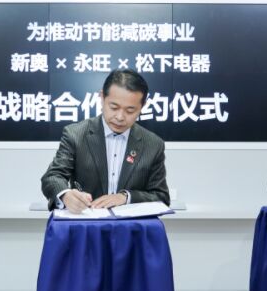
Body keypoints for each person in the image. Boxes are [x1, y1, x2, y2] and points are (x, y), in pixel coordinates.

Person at [41, 69, 170, 214]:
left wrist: (126, 197)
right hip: (86, 222)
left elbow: (161, 196)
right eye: (114, 107)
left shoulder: (153, 144)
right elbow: (53, 177)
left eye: (130, 111)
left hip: (131, 226)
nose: (120, 117)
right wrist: (66, 195)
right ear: (102, 97)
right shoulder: (76, 134)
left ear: (142, 106)